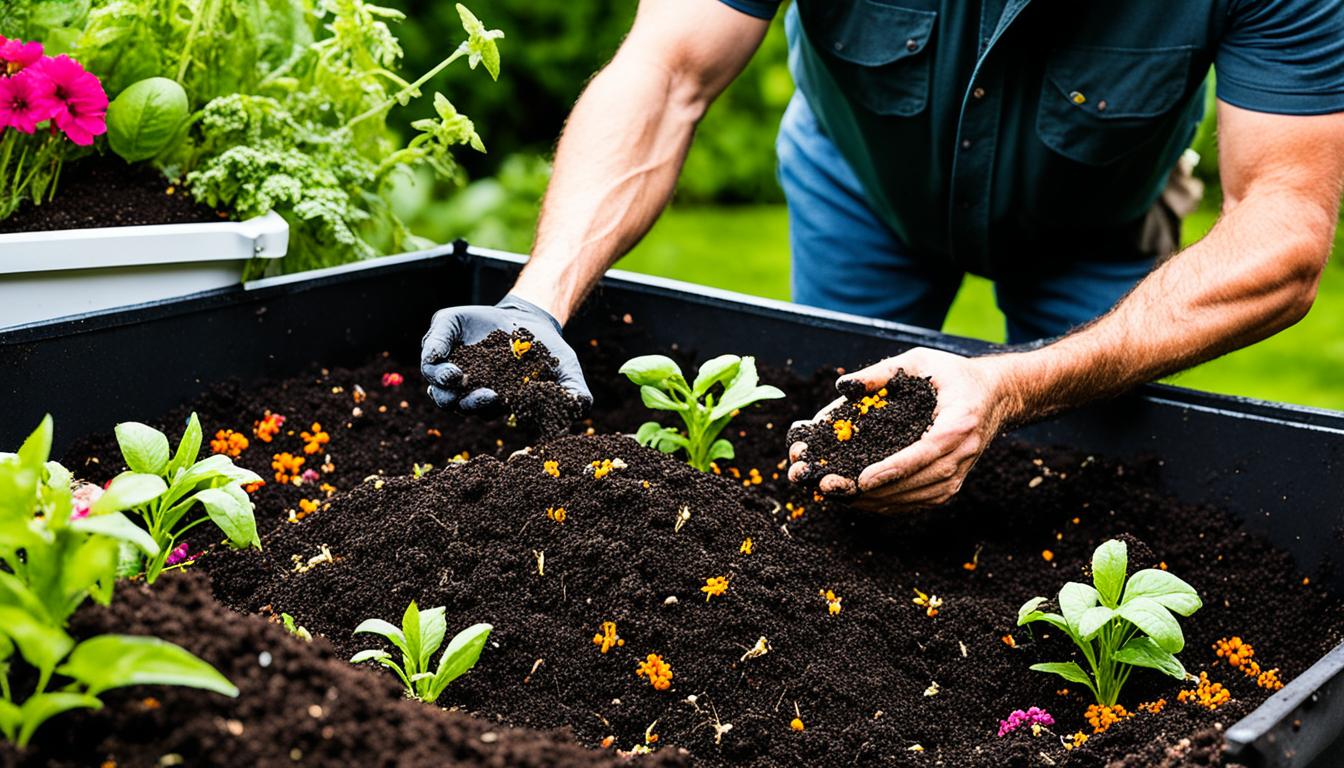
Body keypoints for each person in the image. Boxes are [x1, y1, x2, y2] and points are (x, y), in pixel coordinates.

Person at [421, 0, 1344, 513]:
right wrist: (537, 302)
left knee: (1089, 485)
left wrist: (1014, 385)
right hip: (861, 182)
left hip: (1102, 218)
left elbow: (1285, 227)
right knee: (842, 463)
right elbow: (666, 74)